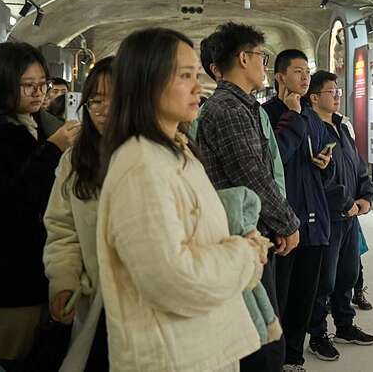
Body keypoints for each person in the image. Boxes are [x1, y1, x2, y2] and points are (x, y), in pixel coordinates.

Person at [96, 27, 269, 372]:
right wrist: (245, 254)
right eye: (185, 76)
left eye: (197, 75)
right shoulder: (140, 167)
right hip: (173, 356)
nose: (197, 88)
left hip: (199, 346)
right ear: (148, 81)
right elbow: (174, 280)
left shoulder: (177, 151)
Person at [196, 23, 299, 372]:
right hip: (241, 237)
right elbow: (251, 175)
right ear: (243, 58)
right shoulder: (228, 109)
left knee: (264, 333)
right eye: (261, 56)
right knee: (261, 343)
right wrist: (287, 222)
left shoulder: (241, 106)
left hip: (253, 231)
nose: (263, 64)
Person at [0, 42, 80, 369]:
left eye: (43, 84)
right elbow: (8, 202)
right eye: (28, 85)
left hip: (37, 273)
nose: (39, 92)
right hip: (5, 279)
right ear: (2, 84)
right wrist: (52, 151)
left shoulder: (38, 126)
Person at [262, 49, 333, 371]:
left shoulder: (312, 116)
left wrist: (326, 164)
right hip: (283, 221)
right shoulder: (266, 114)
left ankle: (294, 357)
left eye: (307, 72)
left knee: (306, 294)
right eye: (297, 71)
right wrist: (292, 117)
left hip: (314, 220)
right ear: (280, 76)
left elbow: (325, 165)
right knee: (280, 296)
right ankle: (276, 359)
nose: (305, 78)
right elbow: (272, 160)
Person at [43, 57, 113, 372]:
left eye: (115, 99)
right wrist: (64, 281)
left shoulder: (162, 157)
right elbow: (63, 228)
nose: (104, 110)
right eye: (96, 100)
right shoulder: (76, 160)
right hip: (95, 304)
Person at [305, 71, 373, 362]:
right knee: (325, 280)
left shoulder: (341, 127)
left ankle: (345, 325)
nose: (337, 95)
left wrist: (366, 197)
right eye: (331, 91)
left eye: (338, 91)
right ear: (314, 97)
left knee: (349, 274)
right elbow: (319, 177)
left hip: (350, 216)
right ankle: (318, 334)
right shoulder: (311, 130)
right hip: (329, 217)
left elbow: (358, 166)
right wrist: (346, 203)